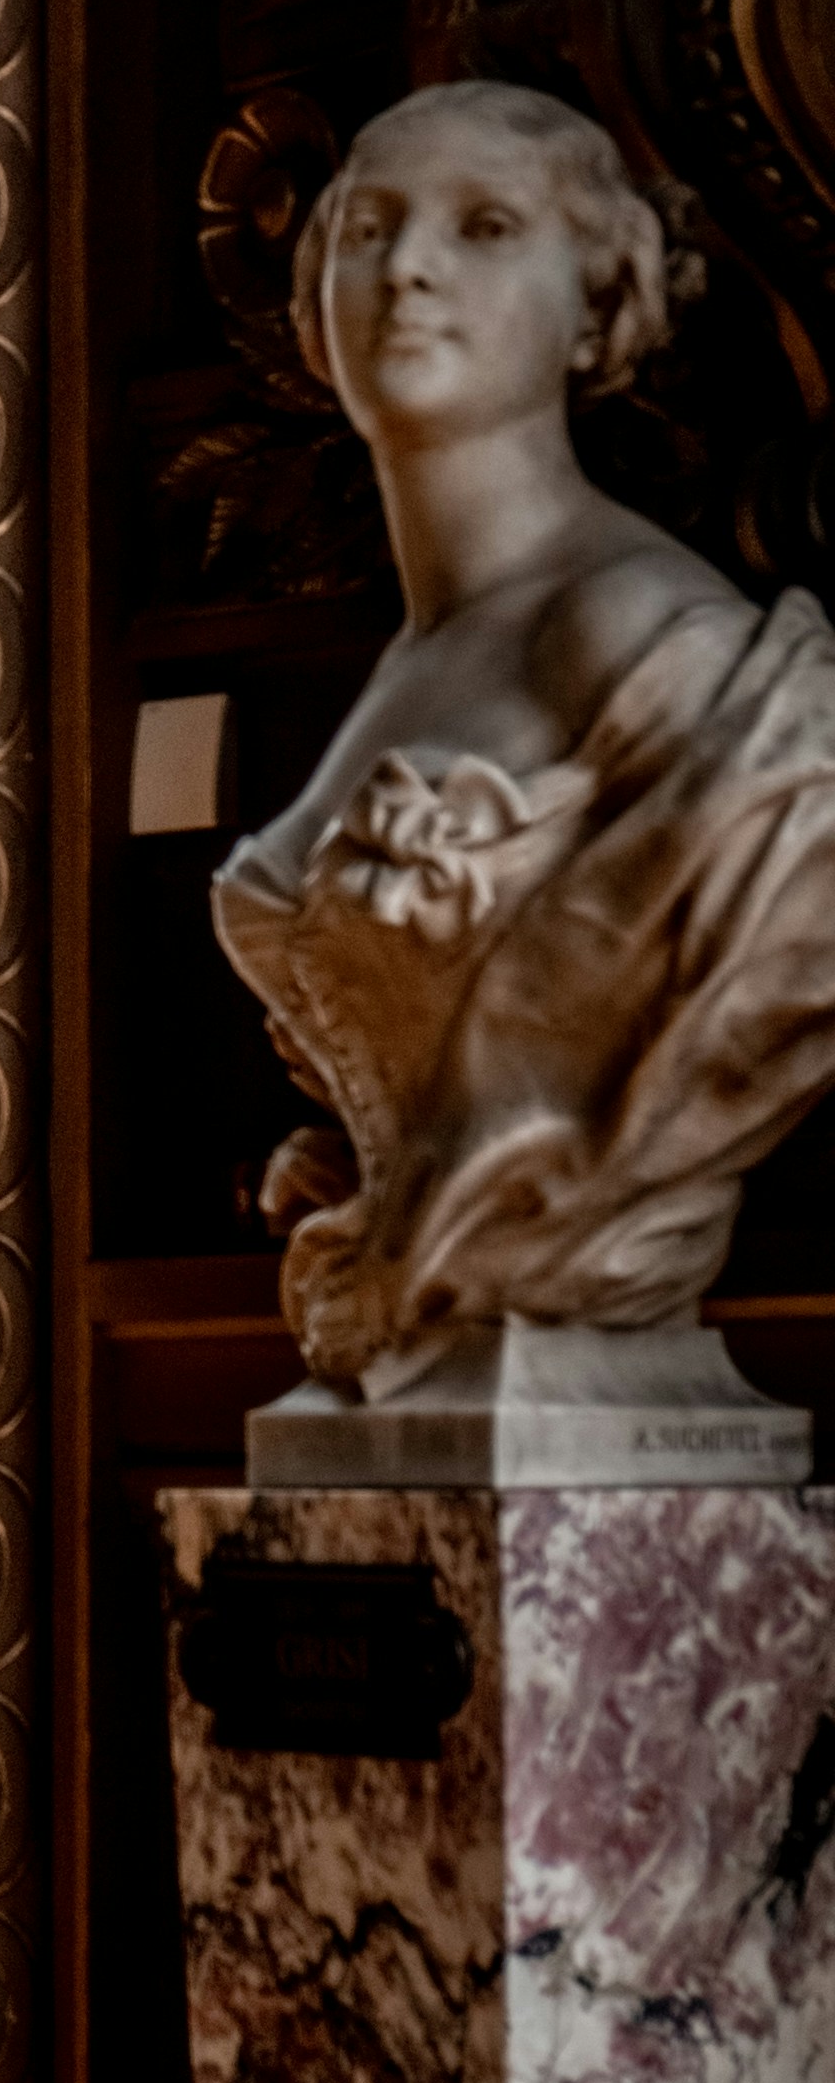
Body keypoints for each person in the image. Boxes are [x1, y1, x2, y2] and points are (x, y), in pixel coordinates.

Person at [216, 73, 835, 1389]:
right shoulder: (418, 661)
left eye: (484, 226)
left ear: (596, 302)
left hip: (575, 1347)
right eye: (370, 225)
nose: (411, 269)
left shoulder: (650, 643)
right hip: (397, 1358)